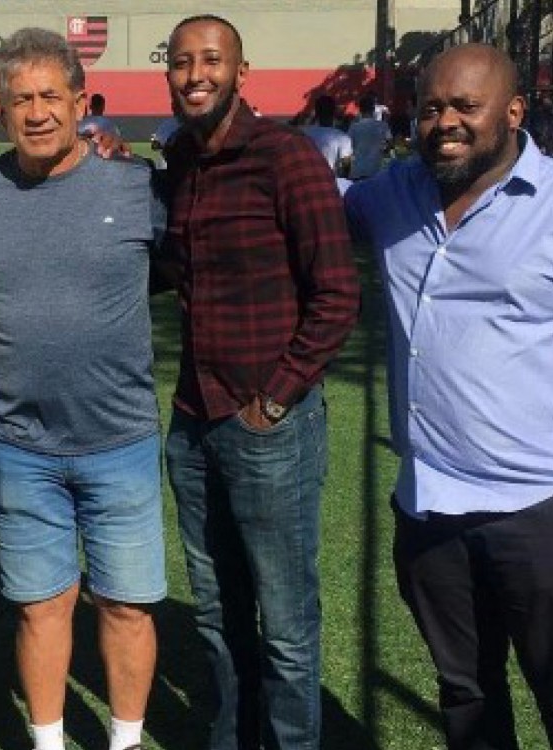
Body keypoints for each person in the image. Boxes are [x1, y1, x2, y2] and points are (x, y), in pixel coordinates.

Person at [346, 44, 553, 750]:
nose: (446, 123)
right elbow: (310, 201)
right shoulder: (393, 194)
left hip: (542, 509)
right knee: (466, 694)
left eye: (466, 106)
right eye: (431, 108)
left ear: (513, 112)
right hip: (428, 507)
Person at [0, 28, 164, 750]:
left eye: (49, 97)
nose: (36, 113)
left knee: (125, 606)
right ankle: (48, 742)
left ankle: (126, 741)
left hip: (120, 439)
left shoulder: (136, 186)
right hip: (18, 446)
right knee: (43, 607)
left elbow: (205, 267)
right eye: (19, 100)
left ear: (80, 102)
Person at [157, 15, 360, 749]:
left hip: (268, 427)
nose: (195, 74)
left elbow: (337, 293)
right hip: (191, 422)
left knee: (285, 621)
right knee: (216, 612)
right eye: (181, 62)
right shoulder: (178, 159)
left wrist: (274, 400)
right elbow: (167, 269)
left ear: (242, 73)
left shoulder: (286, 159)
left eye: (212, 60)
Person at [302, 94, 353, 178]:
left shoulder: (303, 134)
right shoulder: (343, 138)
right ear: (334, 112)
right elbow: (346, 167)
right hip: (331, 184)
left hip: (306, 181)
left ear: (316, 112)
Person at [347, 93, 391, 179]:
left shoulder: (354, 127)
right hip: (376, 171)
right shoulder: (383, 126)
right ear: (373, 109)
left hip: (357, 170)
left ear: (360, 109)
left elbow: (348, 147)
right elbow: (389, 145)